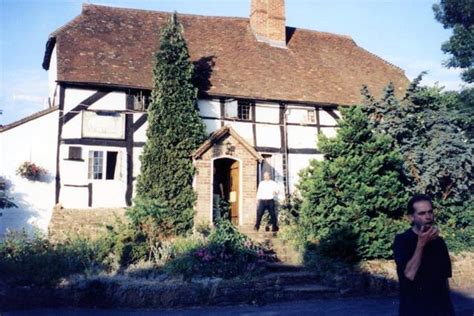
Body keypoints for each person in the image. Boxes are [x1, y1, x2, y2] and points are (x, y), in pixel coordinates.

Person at [393, 194, 455, 316]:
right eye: (421, 213)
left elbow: (444, 280)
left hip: (441, 310)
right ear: (411, 217)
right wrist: (421, 244)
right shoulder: (402, 240)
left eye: (430, 212)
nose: (427, 217)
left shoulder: (439, 242)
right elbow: (409, 274)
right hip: (414, 309)